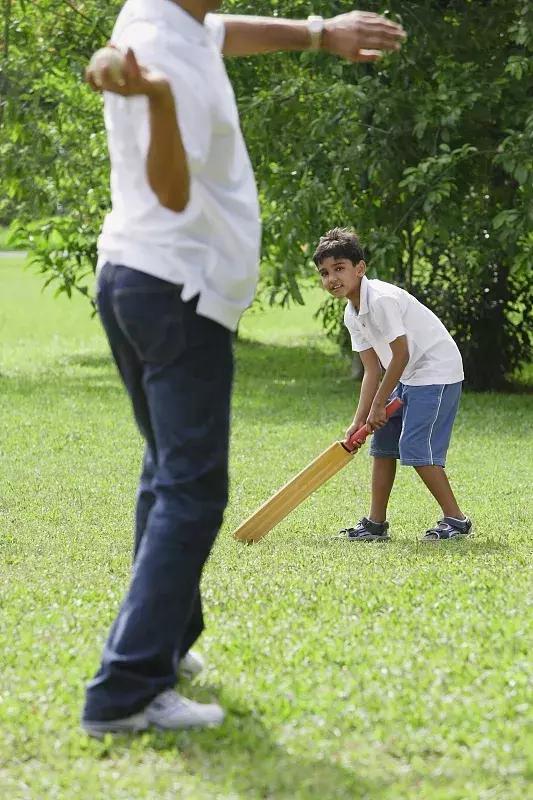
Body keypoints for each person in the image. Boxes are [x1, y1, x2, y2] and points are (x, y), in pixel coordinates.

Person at [81, 1, 405, 738]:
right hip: (177, 294)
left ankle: (164, 640)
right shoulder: (163, 54)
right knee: (192, 491)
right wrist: (160, 98)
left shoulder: (168, 18)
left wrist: (321, 35)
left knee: (168, 473)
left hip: (135, 280)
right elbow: (170, 194)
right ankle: (126, 691)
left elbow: (224, 30)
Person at [314, 228, 472, 543]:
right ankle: (375, 524)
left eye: (339, 268)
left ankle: (456, 520)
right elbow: (372, 369)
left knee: (415, 447)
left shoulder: (381, 300)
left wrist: (378, 405)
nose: (332, 278)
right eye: (325, 273)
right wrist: (359, 419)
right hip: (408, 375)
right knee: (383, 445)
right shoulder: (351, 313)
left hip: (435, 371)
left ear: (360, 268)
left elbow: (400, 355)